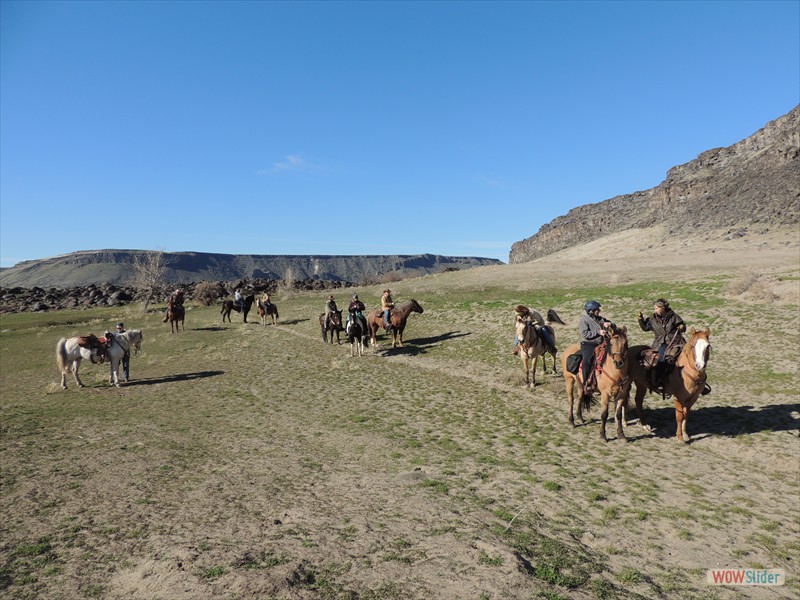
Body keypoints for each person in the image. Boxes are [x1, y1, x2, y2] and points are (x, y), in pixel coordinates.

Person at [637, 298, 686, 390]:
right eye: (655, 308)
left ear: (663, 308)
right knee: (661, 359)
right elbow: (645, 328)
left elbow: (682, 325)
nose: (655, 310)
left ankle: (700, 381)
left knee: (693, 355)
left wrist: (682, 326)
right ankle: (659, 380)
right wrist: (640, 319)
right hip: (661, 343)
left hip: (675, 341)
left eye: (657, 308)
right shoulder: (652, 319)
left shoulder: (673, 316)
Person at [578, 301, 612, 396]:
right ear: (591, 311)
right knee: (587, 361)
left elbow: (610, 324)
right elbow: (585, 334)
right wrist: (598, 332)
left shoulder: (600, 319)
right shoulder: (584, 320)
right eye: (597, 309)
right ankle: (586, 383)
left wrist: (609, 324)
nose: (599, 311)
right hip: (589, 344)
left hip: (602, 344)